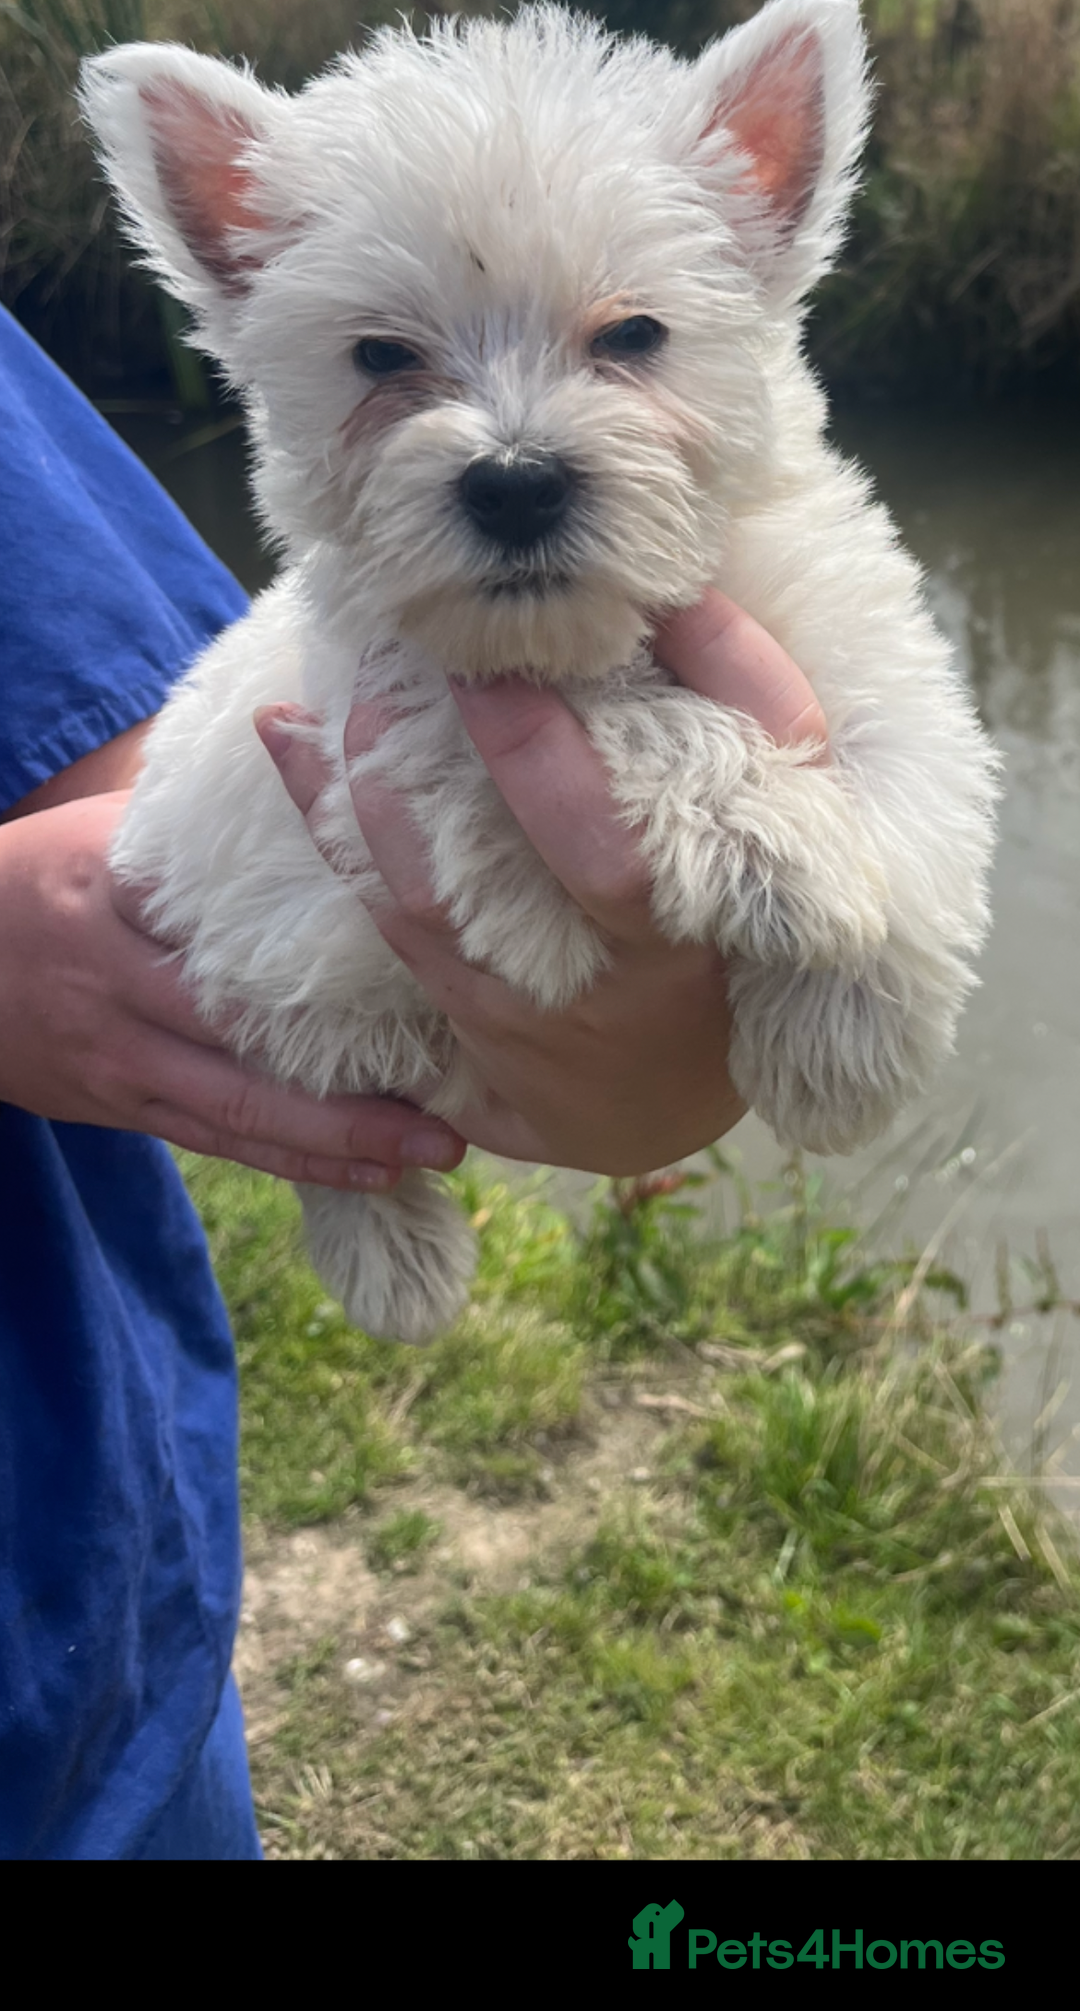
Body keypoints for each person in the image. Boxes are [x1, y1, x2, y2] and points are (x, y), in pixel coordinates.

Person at [0, 302, 826, 1860]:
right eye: (391, 359)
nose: (505, 426)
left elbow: (166, 790)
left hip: (91, 1641)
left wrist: (641, 1056)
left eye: (625, 335)